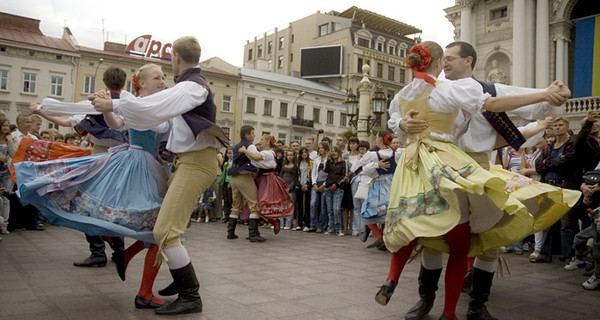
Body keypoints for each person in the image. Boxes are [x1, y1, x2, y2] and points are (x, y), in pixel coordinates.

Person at [376, 41, 578, 320]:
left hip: (479, 166)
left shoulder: (488, 90)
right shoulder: (435, 91)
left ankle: (477, 306)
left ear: (468, 61)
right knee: (433, 235)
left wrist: (553, 95)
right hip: (438, 167)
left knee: (490, 241)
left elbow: (531, 104)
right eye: (442, 58)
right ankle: (426, 301)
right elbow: (401, 121)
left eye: (451, 58)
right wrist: (401, 125)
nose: (445, 63)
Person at [92, 36, 227, 315]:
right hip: (187, 162)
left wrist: (114, 105)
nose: (163, 76)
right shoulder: (188, 87)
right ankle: (180, 281)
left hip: (195, 163)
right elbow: (152, 110)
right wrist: (114, 107)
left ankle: (191, 295)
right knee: (166, 228)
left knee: (165, 231)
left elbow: (151, 108)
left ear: (175, 57)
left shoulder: (191, 86)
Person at [31, 66, 129, 269]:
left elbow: (66, 120)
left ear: (104, 81)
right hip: (123, 160)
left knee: (87, 202)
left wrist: (41, 110)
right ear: (125, 82)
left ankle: (97, 251)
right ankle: (119, 251)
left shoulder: (93, 102)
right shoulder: (128, 102)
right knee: (115, 205)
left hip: (100, 157)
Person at [357, 130, 401, 249]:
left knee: (368, 210)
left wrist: (376, 165)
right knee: (387, 212)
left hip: (381, 184)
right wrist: (377, 165)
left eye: (376, 137)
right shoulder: (396, 153)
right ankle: (383, 239)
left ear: (380, 139)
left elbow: (362, 168)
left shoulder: (373, 154)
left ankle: (379, 237)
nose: (375, 139)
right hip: (393, 184)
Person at [242, 135, 294, 232]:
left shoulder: (269, 153)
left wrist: (245, 151)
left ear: (267, 142)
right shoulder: (264, 152)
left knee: (262, 203)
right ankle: (256, 229)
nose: (260, 141)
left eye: (262, 139)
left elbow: (256, 157)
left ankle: (274, 221)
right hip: (260, 178)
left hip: (267, 180)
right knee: (255, 203)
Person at [228, 125, 263, 242]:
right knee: (254, 204)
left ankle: (230, 232)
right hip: (245, 177)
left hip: (234, 178)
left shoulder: (236, 146)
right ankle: (253, 234)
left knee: (236, 205)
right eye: (252, 133)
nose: (254, 135)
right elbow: (257, 157)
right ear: (247, 135)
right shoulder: (250, 146)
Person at [323, 146, 348, 236]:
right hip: (328, 187)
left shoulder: (343, 163)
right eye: (332, 152)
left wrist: (337, 184)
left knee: (336, 209)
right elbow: (325, 170)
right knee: (330, 210)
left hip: (338, 188)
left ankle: (339, 228)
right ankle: (331, 228)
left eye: (335, 152)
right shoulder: (330, 162)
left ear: (339, 152)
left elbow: (344, 176)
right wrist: (328, 159)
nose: (334, 154)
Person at [309, 141, 330, 232]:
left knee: (323, 205)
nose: (321, 150)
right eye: (320, 148)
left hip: (325, 183)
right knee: (313, 203)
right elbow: (313, 172)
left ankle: (322, 225)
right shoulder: (317, 160)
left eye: (322, 148)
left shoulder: (329, 160)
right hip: (316, 182)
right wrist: (314, 183)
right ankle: (313, 224)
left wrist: (324, 184)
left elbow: (330, 174)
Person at [0, 118, 16, 235]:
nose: (5, 128)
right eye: (3, 125)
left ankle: (4, 225)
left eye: (7, 125)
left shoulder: (9, 139)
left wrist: (10, 141)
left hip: (6, 172)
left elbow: (14, 154)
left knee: (6, 199)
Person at [279, 149, 299, 229]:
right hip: (282, 188)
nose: (289, 157)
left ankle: (288, 223)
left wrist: (289, 188)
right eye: (288, 155)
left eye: (291, 155)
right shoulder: (283, 165)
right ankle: (280, 223)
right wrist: (281, 186)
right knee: (281, 206)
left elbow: (295, 179)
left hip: (291, 189)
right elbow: (280, 176)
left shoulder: (295, 166)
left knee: (290, 206)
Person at [296, 147, 312, 231]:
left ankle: (306, 223)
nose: (304, 154)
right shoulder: (298, 163)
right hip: (300, 186)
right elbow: (296, 175)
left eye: (305, 152)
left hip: (307, 185)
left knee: (307, 205)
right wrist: (299, 185)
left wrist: (308, 186)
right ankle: (299, 223)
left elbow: (312, 175)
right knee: (299, 205)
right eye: (302, 153)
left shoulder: (311, 162)